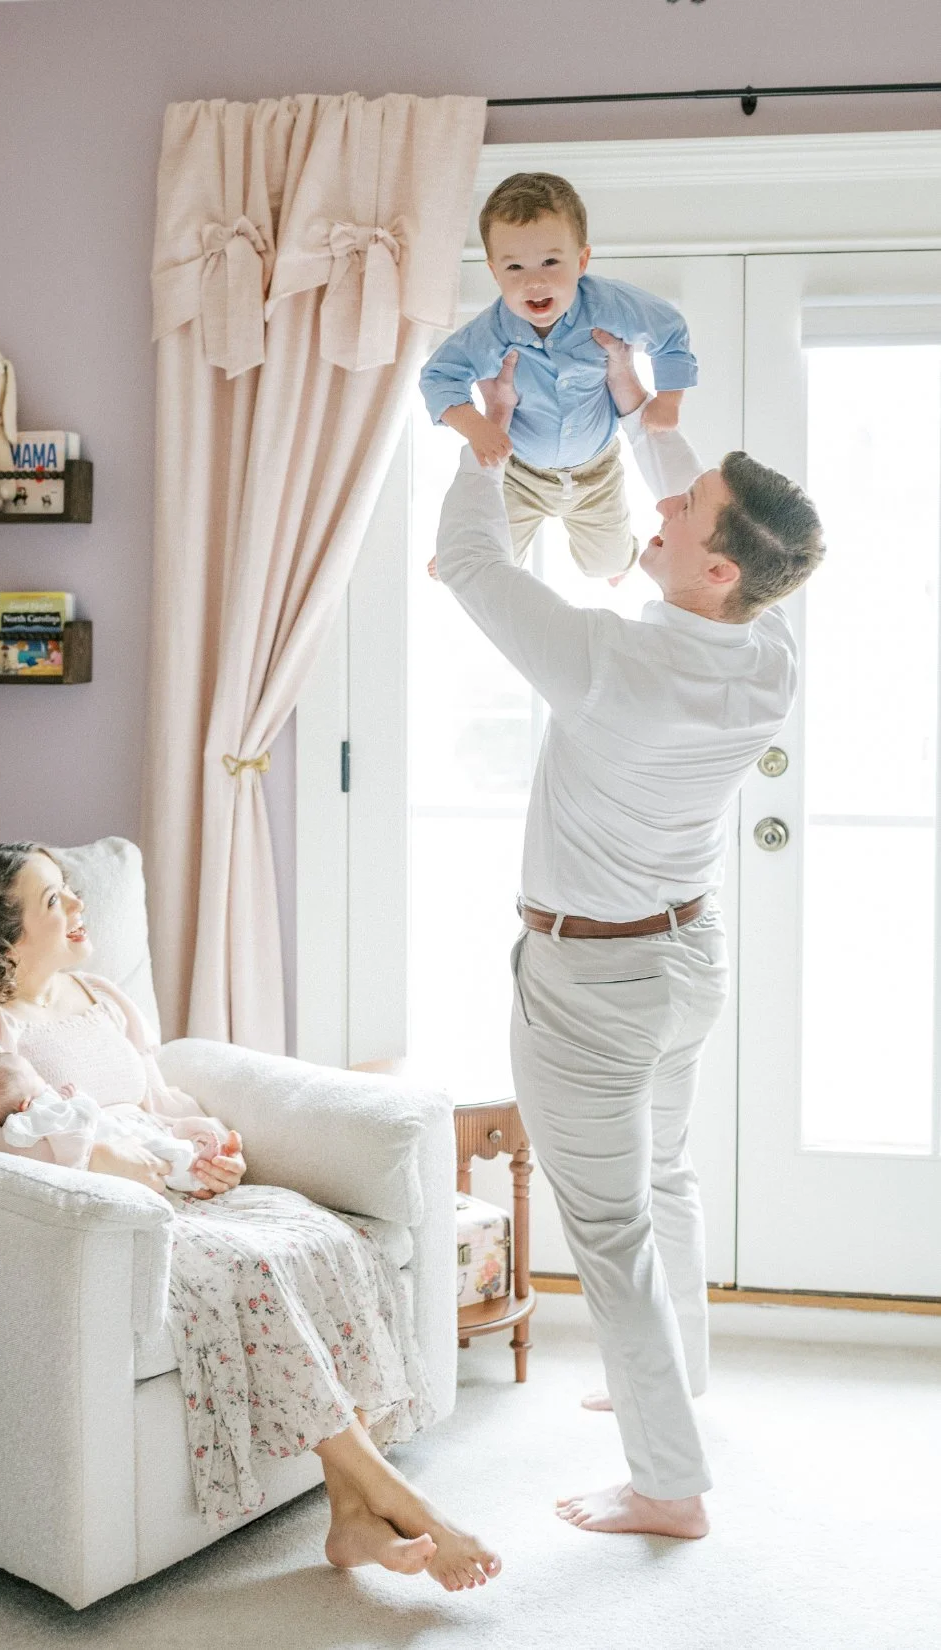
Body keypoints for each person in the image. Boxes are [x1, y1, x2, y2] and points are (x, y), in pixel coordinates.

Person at [433, 334, 825, 1540]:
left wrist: (483, 451)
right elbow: (714, 524)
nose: (659, 500)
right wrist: (652, 421)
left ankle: (667, 1484)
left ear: (713, 567)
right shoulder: (766, 651)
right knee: (661, 1178)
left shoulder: (609, 665)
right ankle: (682, 1384)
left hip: (592, 980)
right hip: (683, 962)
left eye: (682, 504)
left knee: (605, 1231)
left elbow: (463, 557)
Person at [0, 842, 500, 1591]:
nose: (78, 908)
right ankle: (395, 1496)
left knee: (321, 1233)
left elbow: (161, 1102)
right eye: (55, 898)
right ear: (0, 931)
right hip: (106, 1222)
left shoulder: (102, 1000)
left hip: (176, 1186)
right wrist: (106, 1165)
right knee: (250, 1267)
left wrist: (210, 1146)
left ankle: (351, 1515)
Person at [421, 171, 697, 580]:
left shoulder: (608, 306)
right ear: (495, 272)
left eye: (551, 262)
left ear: (581, 261)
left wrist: (669, 397)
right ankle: (463, 551)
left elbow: (668, 328)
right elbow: (438, 376)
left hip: (595, 473)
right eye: (514, 267)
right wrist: (475, 426)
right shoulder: (491, 333)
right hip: (521, 474)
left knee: (603, 563)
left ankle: (619, 561)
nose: (534, 281)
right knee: (487, 560)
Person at [0, 1049, 239, 1195]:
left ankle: (197, 1165)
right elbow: (82, 1115)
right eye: (38, 1079)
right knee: (162, 1150)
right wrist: (74, 1101)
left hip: (129, 1130)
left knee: (162, 1145)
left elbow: (159, 1097)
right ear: (25, 1103)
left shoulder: (38, 1112)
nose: (45, 1083)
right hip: (115, 1146)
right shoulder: (37, 1114)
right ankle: (195, 1165)